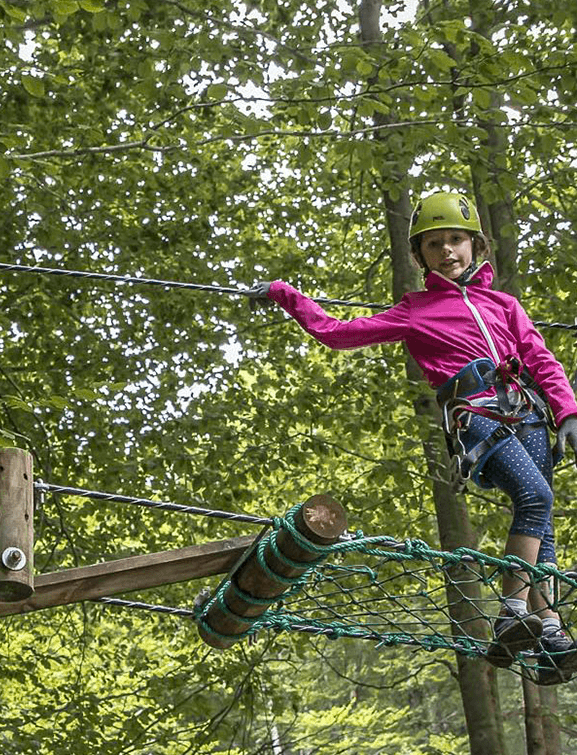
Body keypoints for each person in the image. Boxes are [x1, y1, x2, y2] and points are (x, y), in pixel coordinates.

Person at [247, 189, 577, 678]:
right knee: (534, 496)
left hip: (528, 414)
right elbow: (339, 333)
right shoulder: (416, 310)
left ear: (475, 246)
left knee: (541, 514)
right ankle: (513, 611)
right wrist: (285, 294)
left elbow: (540, 359)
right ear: (421, 256)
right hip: (477, 415)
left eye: (456, 240)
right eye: (435, 244)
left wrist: (568, 411)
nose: (447, 251)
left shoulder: (505, 305)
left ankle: (546, 628)